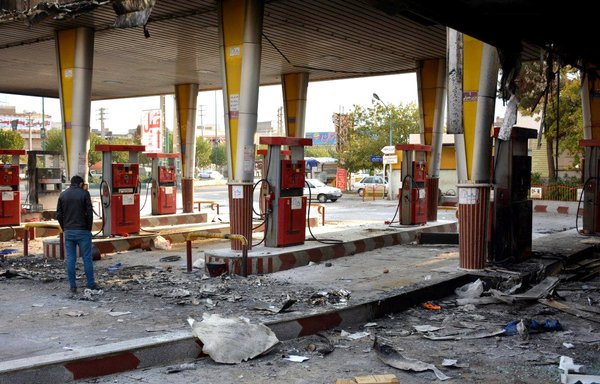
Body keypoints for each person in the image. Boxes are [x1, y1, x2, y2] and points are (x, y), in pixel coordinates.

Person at [56, 175, 99, 293]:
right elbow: (89, 213)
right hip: (83, 231)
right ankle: (90, 283)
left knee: (70, 259)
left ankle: (73, 286)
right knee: (87, 258)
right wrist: (88, 229)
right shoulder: (84, 194)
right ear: (80, 183)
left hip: (69, 231)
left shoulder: (63, 194)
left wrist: (64, 227)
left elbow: (59, 214)